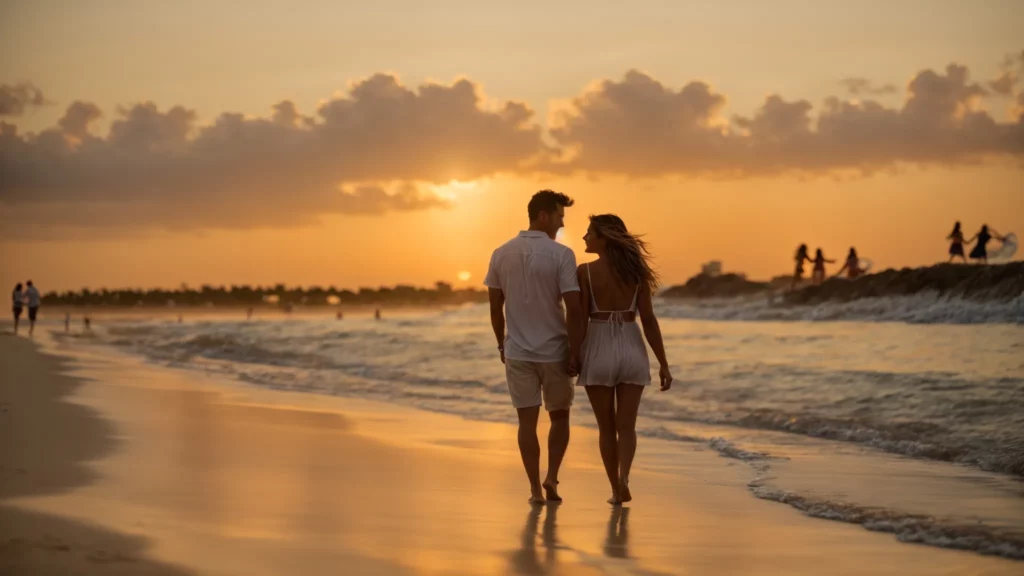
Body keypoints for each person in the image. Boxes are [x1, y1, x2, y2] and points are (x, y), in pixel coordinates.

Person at [485, 190, 584, 505]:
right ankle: (551, 477)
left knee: (526, 422)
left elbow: (495, 307)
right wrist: (575, 351)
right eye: (559, 217)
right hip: (555, 350)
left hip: (518, 352)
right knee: (560, 417)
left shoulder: (501, 253)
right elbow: (574, 307)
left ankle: (533, 490)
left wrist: (502, 344)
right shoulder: (562, 254)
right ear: (543, 216)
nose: (561, 224)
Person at [577, 215, 672, 505]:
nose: (584, 237)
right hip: (632, 345)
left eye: (590, 233)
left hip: (598, 344)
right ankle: (625, 477)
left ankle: (616, 491)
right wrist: (663, 364)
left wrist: (572, 355)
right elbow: (649, 320)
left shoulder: (585, 272)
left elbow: (579, 319)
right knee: (626, 426)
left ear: (604, 237)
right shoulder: (637, 272)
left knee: (606, 428)